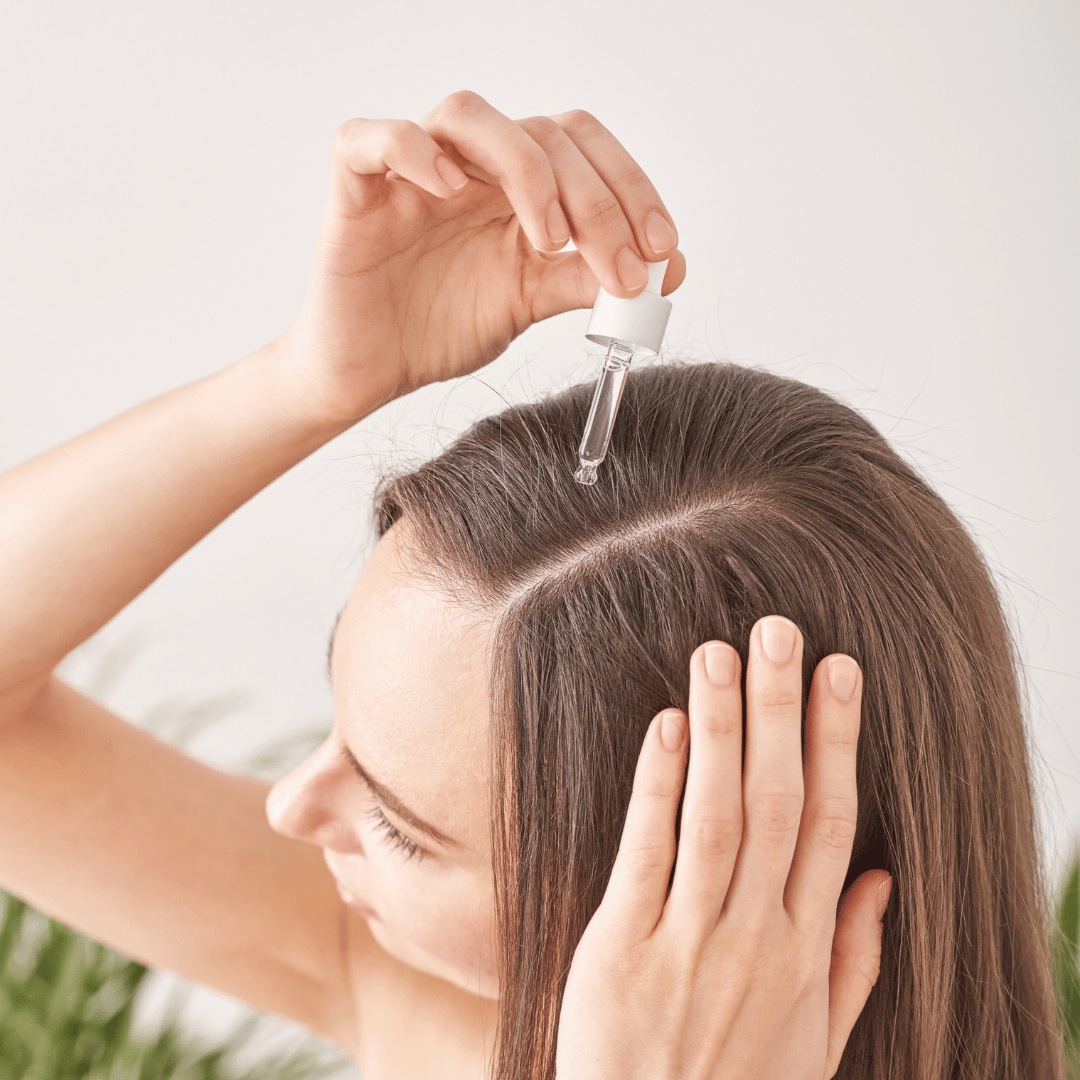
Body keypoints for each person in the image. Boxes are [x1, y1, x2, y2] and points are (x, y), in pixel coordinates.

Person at [0, 92, 1066, 1080]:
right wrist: (306, 379)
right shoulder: (439, 1012)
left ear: (692, 883)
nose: (291, 805)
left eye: (405, 829)